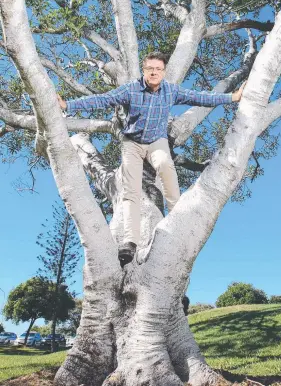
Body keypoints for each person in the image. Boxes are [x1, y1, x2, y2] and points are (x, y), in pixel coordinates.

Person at [58, 51, 246, 267]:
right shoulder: (131, 89)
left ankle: (177, 218)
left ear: (163, 72)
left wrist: (232, 97)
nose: (154, 72)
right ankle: (129, 242)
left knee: (166, 166)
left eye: (158, 69)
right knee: (130, 191)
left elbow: (201, 97)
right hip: (132, 143)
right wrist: (69, 105)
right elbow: (103, 99)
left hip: (157, 141)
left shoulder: (171, 91)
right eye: (150, 69)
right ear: (144, 70)